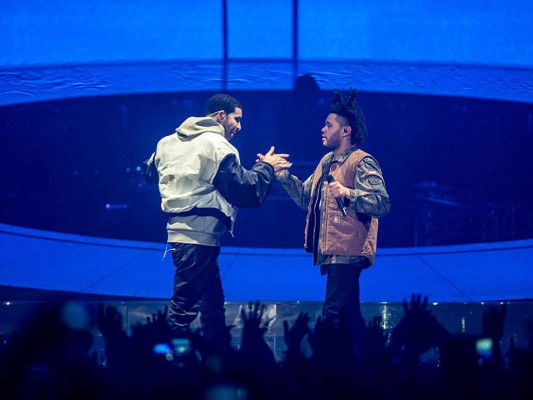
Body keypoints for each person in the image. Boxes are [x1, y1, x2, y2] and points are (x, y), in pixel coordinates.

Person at [147, 93, 291, 350]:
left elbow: (150, 173)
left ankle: (216, 359)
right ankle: (169, 367)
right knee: (183, 310)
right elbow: (245, 191)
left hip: (186, 235)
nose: (239, 126)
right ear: (220, 116)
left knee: (212, 305)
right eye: (237, 118)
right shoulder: (216, 145)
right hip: (197, 237)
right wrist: (267, 167)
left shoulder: (167, 141)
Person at [269, 88, 390, 350]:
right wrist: (282, 176)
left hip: (348, 251)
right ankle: (366, 362)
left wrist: (349, 193)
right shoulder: (326, 162)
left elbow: (381, 203)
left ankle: (328, 371)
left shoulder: (362, 162)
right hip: (333, 251)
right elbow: (305, 198)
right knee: (350, 316)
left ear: (345, 131)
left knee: (332, 314)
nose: (322, 129)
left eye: (328, 125)